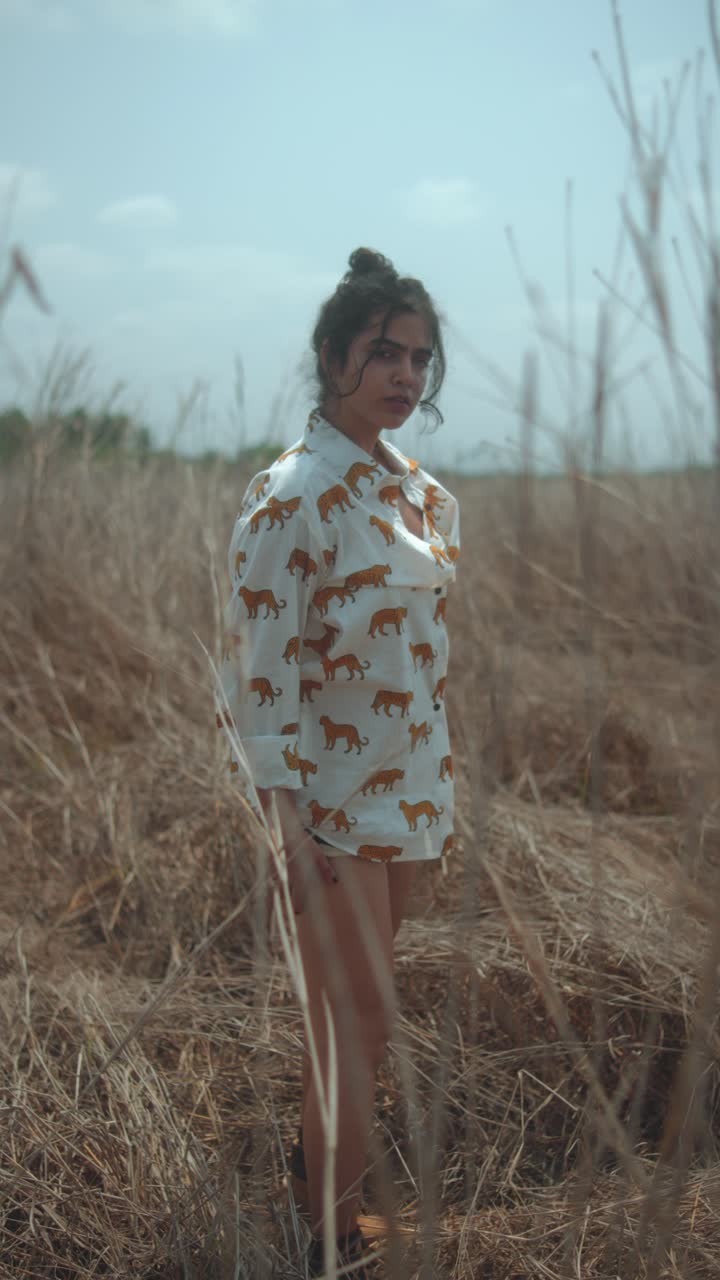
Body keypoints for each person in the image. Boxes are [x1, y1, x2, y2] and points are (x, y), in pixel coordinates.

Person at [217, 247, 460, 1277]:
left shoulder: (420, 494)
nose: (404, 375)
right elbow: (256, 675)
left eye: (419, 357)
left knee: (361, 1007)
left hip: (409, 786)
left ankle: (320, 1171)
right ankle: (325, 1230)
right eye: (382, 354)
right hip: (323, 799)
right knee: (356, 1016)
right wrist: (284, 816)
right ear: (331, 358)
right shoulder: (293, 494)